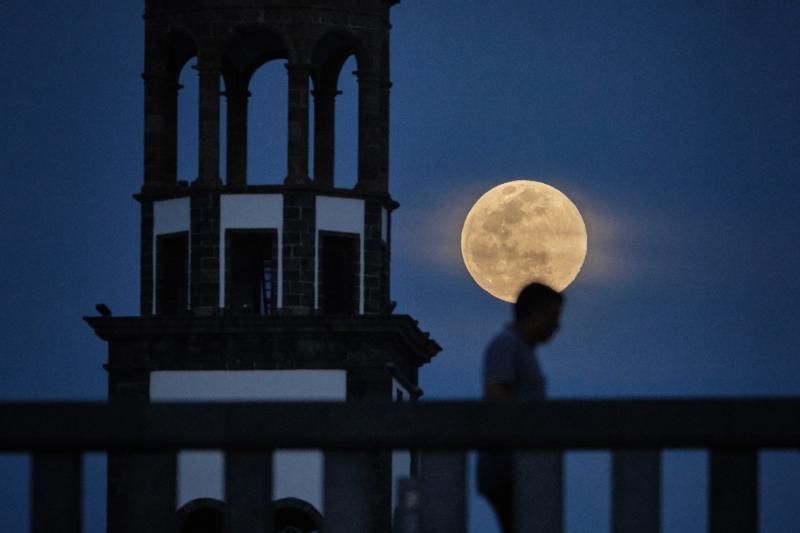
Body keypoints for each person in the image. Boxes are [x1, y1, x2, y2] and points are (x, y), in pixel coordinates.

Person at [477, 282, 564, 533]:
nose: (556, 326)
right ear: (534, 313)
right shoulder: (507, 346)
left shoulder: (519, 349)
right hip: (507, 467)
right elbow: (496, 398)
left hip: (519, 466)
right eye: (553, 316)